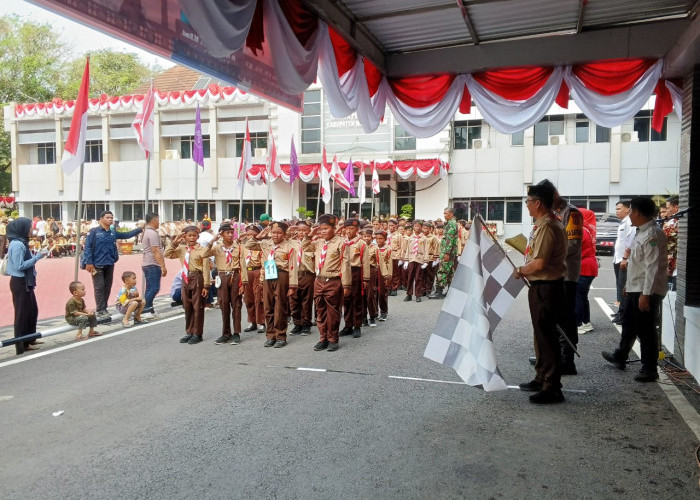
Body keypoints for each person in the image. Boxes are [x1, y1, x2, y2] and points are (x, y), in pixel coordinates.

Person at [602, 196, 668, 382]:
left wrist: (645, 294)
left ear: (638, 212)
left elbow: (652, 268)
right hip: (636, 288)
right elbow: (637, 264)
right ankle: (620, 356)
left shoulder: (652, 234)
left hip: (647, 291)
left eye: (630, 211)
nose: (629, 215)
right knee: (629, 323)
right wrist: (628, 287)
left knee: (646, 330)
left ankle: (649, 369)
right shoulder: (641, 231)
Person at [515, 180, 567, 404]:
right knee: (540, 335)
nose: (526, 205)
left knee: (547, 337)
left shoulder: (547, 226)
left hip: (547, 287)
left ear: (537, 203)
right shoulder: (543, 224)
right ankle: (541, 376)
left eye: (528, 202)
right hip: (542, 287)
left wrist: (521, 270)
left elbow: (540, 264)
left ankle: (553, 386)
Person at [246, 221, 298, 348]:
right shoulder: (265, 244)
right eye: (274, 232)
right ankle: (270, 335)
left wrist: (292, 286)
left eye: (279, 233)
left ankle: (280, 336)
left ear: (284, 234)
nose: (276, 235)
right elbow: (248, 245)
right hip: (268, 276)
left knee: (280, 307)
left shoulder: (289, 247)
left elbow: (293, 267)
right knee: (268, 306)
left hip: (282, 275)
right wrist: (258, 236)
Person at [303, 214, 351, 352]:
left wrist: (346, 285)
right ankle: (322, 338)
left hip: (333, 281)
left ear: (334, 228)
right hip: (319, 280)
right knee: (320, 311)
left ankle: (332, 339)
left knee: (333, 312)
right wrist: (310, 234)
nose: (323, 231)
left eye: (326, 228)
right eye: (321, 229)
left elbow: (345, 264)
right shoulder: (318, 242)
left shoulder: (340, 243)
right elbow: (305, 247)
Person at [83, 210, 143, 319]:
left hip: (109, 263)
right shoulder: (94, 232)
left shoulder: (112, 232)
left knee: (107, 287)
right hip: (97, 264)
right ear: (101, 219)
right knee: (99, 287)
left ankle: (103, 308)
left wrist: (140, 229)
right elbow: (87, 247)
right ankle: (100, 310)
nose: (110, 219)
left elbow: (126, 235)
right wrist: (89, 262)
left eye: (111, 217)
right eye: (107, 217)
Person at [553, 188, 583, 375]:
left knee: (565, 318)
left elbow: (572, 244)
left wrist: (547, 255)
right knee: (556, 317)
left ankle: (567, 359)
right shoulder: (555, 213)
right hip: (555, 274)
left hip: (566, 274)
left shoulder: (571, 213)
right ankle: (555, 355)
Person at [6, 217, 46, 355]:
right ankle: (21, 345)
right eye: (29, 227)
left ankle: (30, 339)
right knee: (22, 314)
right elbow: (19, 266)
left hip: (25, 281)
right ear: (22, 229)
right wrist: (37, 257)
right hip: (20, 281)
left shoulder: (22, 242)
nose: (32, 230)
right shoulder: (17, 244)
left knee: (32, 311)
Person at [165, 225, 211, 344]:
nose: (191, 238)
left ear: (198, 236)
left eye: (194, 235)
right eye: (189, 236)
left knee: (197, 307)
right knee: (187, 306)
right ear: (184, 237)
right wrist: (174, 242)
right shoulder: (181, 249)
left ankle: (197, 333)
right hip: (185, 278)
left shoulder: (202, 249)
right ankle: (189, 332)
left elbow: (206, 268)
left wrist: (206, 285)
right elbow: (167, 254)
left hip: (197, 277)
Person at [204, 222, 247, 345]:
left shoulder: (238, 247)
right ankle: (225, 333)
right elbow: (204, 254)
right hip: (222, 276)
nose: (230, 235)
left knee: (236, 304)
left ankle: (236, 333)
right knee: (224, 305)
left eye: (231, 233)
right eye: (227, 233)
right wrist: (212, 240)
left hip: (235, 275)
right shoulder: (217, 248)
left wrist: (243, 283)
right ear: (221, 234)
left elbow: (243, 265)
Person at [341, 218, 369, 338]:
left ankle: (357, 326)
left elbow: (366, 262)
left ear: (357, 230)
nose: (348, 231)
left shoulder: (361, 243)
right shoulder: (343, 242)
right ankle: (348, 325)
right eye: (346, 229)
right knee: (346, 300)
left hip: (356, 272)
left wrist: (366, 279)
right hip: (344, 272)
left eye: (351, 229)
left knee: (356, 299)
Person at [290, 220, 315, 336]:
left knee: (306, 300)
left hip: (307, 274)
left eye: (305, 230)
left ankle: (306, 324)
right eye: (299, 230)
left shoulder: (313, 243)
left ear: (309, 231)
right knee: (294, 300)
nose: (302, 233)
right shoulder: (291, 243)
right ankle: (297, 324)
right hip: (294, 275)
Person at [612, 201, 635, 324]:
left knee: (624, 288)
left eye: (619, 208)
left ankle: (624, 315)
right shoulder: (623, 222)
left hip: (624, 260)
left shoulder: (629, 222)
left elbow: (630, 242)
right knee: (620, 286)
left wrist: (625, 258)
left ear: (627, 209)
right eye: (616, 209)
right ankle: (620, 312)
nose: (616, 211)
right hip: (618, 259)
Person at [576, 208, 598, 334]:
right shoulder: (588, 230)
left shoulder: (581, 231)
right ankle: (586, 322)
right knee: (583, 296)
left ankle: (579, 323)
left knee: (578, 296)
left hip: (583, 267)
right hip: (589, 266)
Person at [141, 212, 167, 317]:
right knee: (154, 288)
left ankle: (149, 309)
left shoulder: (148, 232)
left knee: (149, 287)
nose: (159, 222)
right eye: (158, 219)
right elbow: (155, 250)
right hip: (152, 263)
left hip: (148, 263)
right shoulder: (152, 233)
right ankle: (146, 309)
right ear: (154, 220)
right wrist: (163, 266)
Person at [241, 224, 266, 333]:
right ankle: (252, 321)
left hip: (257, 271)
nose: (250, 236)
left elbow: (263, 263)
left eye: (253, 234)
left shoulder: (260, 246)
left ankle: (261, 321)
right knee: (248, 298)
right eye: (248, 234)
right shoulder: (243, 246)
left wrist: (261, 277)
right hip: (247, 272)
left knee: (258, 298)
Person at [430, 207, 458, 299]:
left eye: (446, 213)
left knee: (442, 271)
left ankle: (439, 291)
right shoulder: (450, 223)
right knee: (449, 272)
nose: (444, 215)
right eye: (444, 213)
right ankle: (451, 291)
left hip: (448, 253)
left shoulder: (452, 224)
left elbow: (449, 240)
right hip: (449, 252)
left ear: (451, 214)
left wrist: (446, 253)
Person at [404, 220, 428, 302]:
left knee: (418, 278)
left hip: (420, 259)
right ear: (413, 227)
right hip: (411, 259)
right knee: (410, 277)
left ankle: (418, 294)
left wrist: (426, 261)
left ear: (421, 227)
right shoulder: (411, 238)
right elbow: (407, 249)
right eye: (415, 226)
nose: (417, 228)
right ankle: (409, 294)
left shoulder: (424, 238)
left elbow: (426, 250)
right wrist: (406, 260)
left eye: (418, 226)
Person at [361, 227, 379, 327]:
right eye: (364, 236)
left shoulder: (374, 248)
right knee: (361, 294)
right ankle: (363, 317)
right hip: (361, 270)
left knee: (370, 294)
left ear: (371, 238)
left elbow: (378, 262)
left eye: (368, 236)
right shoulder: (360, 246)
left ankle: (372, 316)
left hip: (371, 270)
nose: (366, 238)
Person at [375, 230, 392, 321]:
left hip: (383, 273)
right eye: (377, 239)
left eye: (381, 239)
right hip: (374, 272)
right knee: (374, 293)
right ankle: (374, 312)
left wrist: (388, 276)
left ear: (385, 239)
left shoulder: (388, 249)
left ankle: (383, 311)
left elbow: (389, 264)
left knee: (382, 293)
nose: (378, 241)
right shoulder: (373, 248)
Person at [663, 195, 679, 290]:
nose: (666, 211)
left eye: (668, 208)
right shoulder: (668, 224)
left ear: (676, 207)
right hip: (669, 264)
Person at [388, 219, 401, 296]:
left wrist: (400, 258)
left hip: (395, 255)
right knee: (388, 273)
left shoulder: (399, 235)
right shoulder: (386, 234)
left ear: (396, 226)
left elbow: (401, 247)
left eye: (392, 225)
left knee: (395, 273)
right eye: (389, 225)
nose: (390, 227)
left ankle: (394, 288)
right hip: (387, 255)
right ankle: (389, 287)